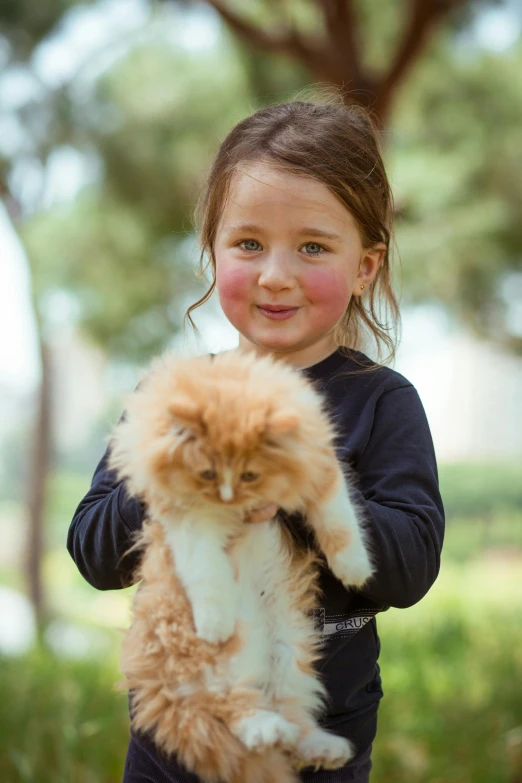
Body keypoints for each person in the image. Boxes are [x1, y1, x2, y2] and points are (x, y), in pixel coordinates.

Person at [67, 97, 445, 783]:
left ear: (365, 265)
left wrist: (294, 491)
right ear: (211, 251)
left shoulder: (382, 404)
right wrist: (172, 477)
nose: (275, 273)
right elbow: (91, 548)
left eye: (313, 246)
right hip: (174, 744)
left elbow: (411, 566)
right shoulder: (174, 395)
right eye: (248, 243)